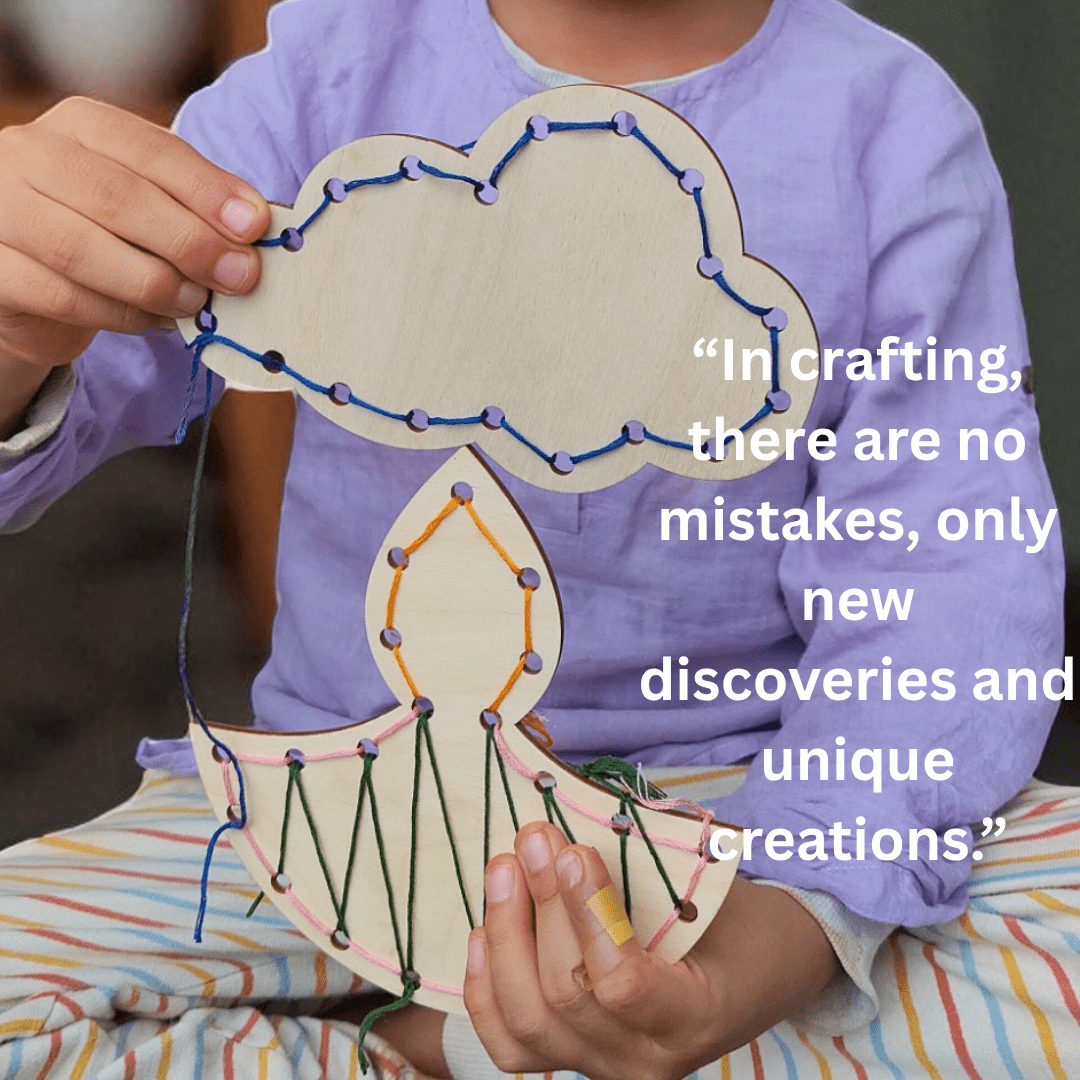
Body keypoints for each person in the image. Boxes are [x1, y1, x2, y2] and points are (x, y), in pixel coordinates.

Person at [0, 0, 1076, 1077]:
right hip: (333, 808)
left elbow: (943, 592)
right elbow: (87, 377)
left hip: (744, 819)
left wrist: (770, 944)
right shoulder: (325, 72)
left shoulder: (893, 127)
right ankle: (452, 1047)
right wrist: (18, 324)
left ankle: (497, 1046)